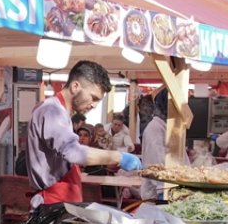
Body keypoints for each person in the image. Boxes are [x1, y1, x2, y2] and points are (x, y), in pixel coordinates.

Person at [26, 60, 141, 205]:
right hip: (51, 203)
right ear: (75, 86)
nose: (94, 105)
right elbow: (74, 152)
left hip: (63, 201)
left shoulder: (61, 113)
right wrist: (118, 157)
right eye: (93, 98)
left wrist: (106, 161)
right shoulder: (52, 111)